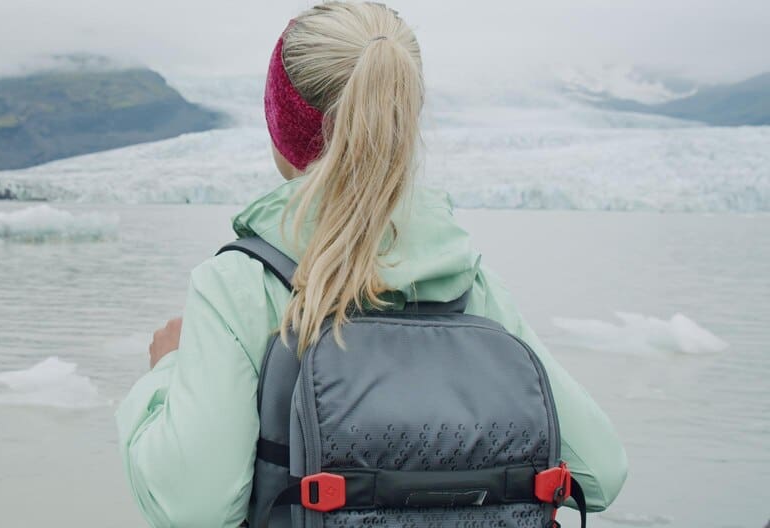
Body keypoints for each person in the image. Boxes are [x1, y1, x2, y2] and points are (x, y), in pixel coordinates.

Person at [115, 2, 628, 526]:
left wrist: (165, 375)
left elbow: (193, 507)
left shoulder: (243, 285)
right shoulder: (468, 284)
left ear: (282, 126)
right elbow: (600, 473)